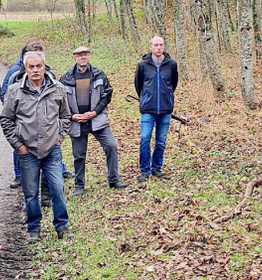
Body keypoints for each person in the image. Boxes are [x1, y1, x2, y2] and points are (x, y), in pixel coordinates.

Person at [1, 51, 73, 242]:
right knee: (31, 192)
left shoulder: (57, 88)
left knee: (58, 187)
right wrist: (18, 145)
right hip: (28, 151)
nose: (35, 70)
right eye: (31, 67)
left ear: (44, 67)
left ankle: (62, 226)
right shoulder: (15, 90)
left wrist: (59, 138)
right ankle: (34, 228)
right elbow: (6, 119)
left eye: (38, 66)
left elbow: (66, 115)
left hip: (52, 149)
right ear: (25, 68)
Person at [62, 46, 124, 195]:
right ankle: (79, 186)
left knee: (111, 146)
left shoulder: (99, 75)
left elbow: (107, 95)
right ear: (74, 58)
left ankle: (114, 180)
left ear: (89, 56)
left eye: (85, 54)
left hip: (97, 119)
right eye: (79, 55)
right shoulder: (66, 78)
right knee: (79, 155)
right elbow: (60, 102)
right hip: (77, 122)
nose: (83, 57)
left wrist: (95, 112)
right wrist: (72, 116)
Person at [134, 36, 179, 183]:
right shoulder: (143, 65)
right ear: (151, 47)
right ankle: (145, 171)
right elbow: (138, 85)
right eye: (156, 45)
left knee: (161, 141)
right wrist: (146, 98)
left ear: (164, 46)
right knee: (145, 139)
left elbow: (173, 84)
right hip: (148, 109)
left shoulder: (171, 64)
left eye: (161, 45)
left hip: (165, 110)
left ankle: (157, 168)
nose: (158, 47)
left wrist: (167, 98)